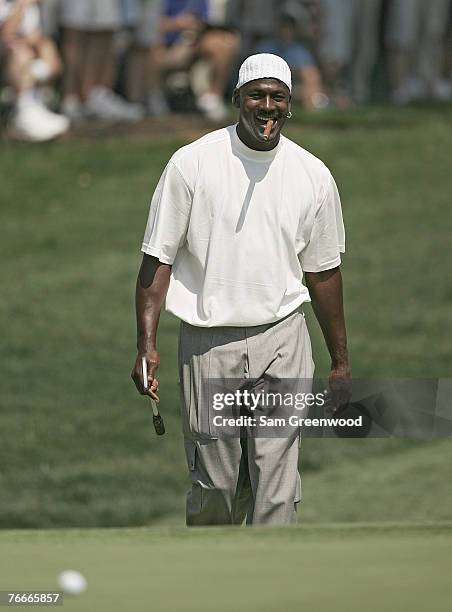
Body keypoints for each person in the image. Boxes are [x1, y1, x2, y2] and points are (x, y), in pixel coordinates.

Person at [131, 53, 351, 526]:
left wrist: (340, 360)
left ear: (289, 105)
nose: (266, 107)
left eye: (277, 98)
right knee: (217, 487)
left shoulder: (313, 176)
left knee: (277, 482)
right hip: (209, 342)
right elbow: (157, 259)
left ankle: (271, 590)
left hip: (283, 338)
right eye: (256, 95)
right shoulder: (192, 164)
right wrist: (145, 344)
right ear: (237, 99)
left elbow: (323, 274)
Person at [0, 0, 69, 141]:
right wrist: (22, 5)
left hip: (20, 54)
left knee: (46, 51)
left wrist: (43, 47)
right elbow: (6, 34)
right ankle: (23, 114)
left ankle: (34, 103)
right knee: (20, 54)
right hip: (8, 57)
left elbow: (33, 35)